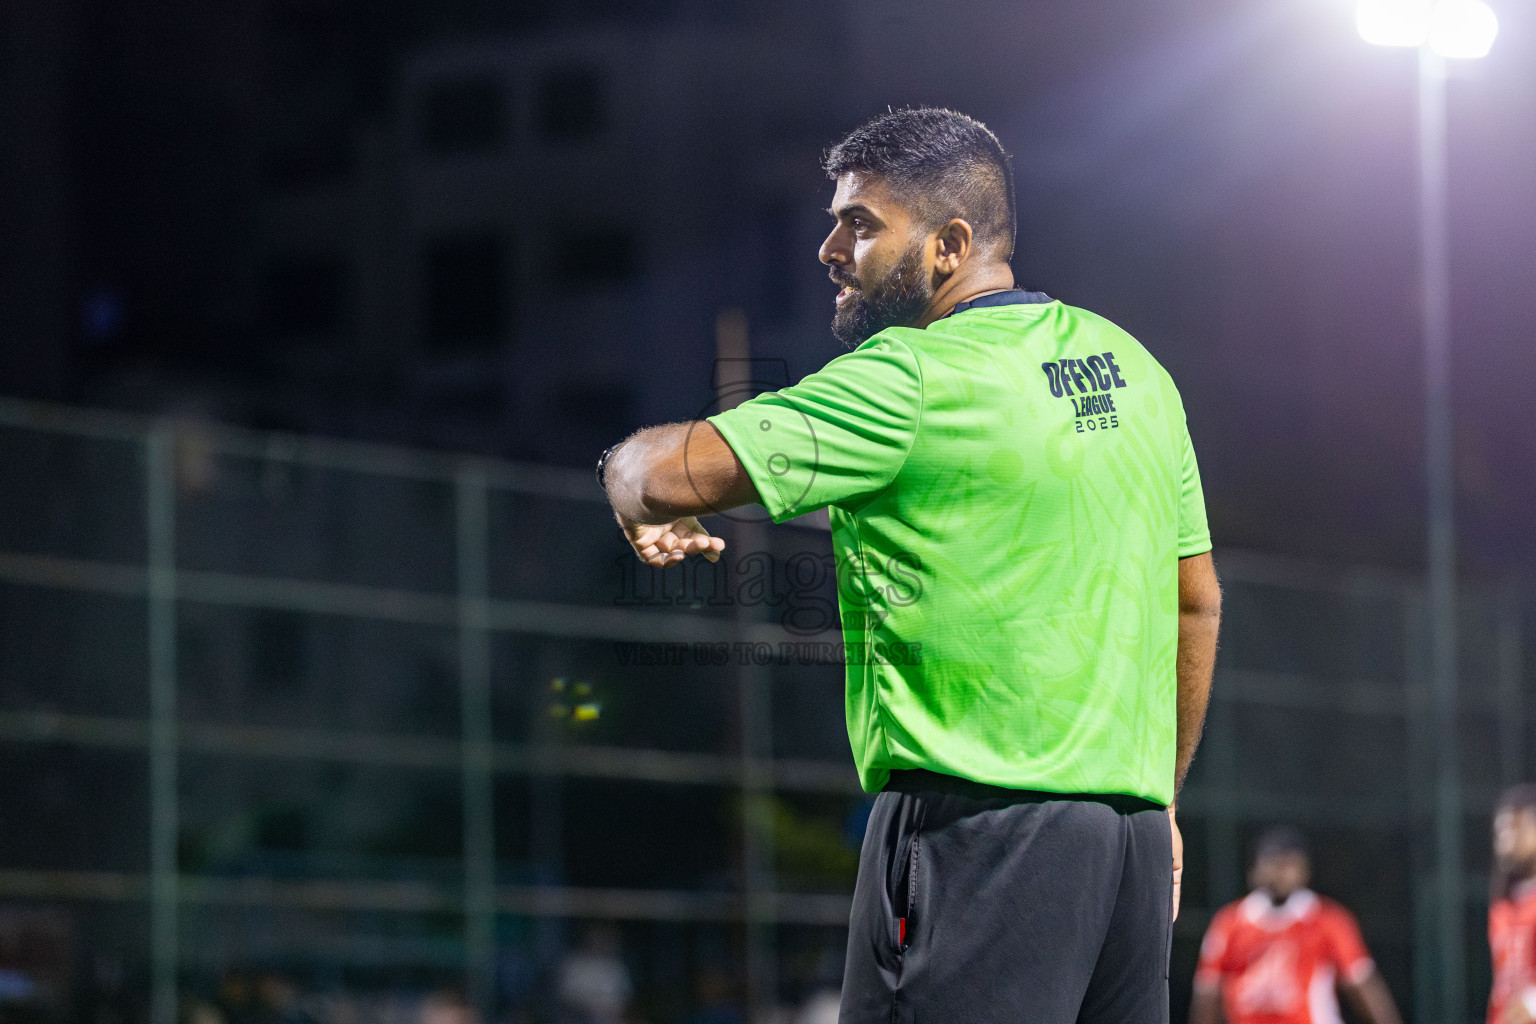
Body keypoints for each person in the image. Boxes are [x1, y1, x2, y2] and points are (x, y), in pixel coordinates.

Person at [597, 106, 1221, 1023]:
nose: (828, 248)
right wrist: (1161, 800)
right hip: (1126, 846)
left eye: (860, 223)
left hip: (975, 840)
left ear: (949, 245)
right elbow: (1195, 604)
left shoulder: (908, 379)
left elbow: (659, 472)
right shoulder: (1134, 370)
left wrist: (623, 481)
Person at [1190, 827, 1402, 1024]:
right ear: (1254, 870)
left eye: (1290, 863)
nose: (1281, 872)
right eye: (1273, 862)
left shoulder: (1326, 919)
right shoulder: (1230, 921)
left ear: (1304, 869)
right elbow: (1207, 992)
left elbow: (1361, 984)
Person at [1489, 784, 1536, 1023]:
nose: (1507, 841)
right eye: (1501, 833)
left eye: (1516, 829)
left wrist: (1532, 1003)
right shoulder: (1502, 908)